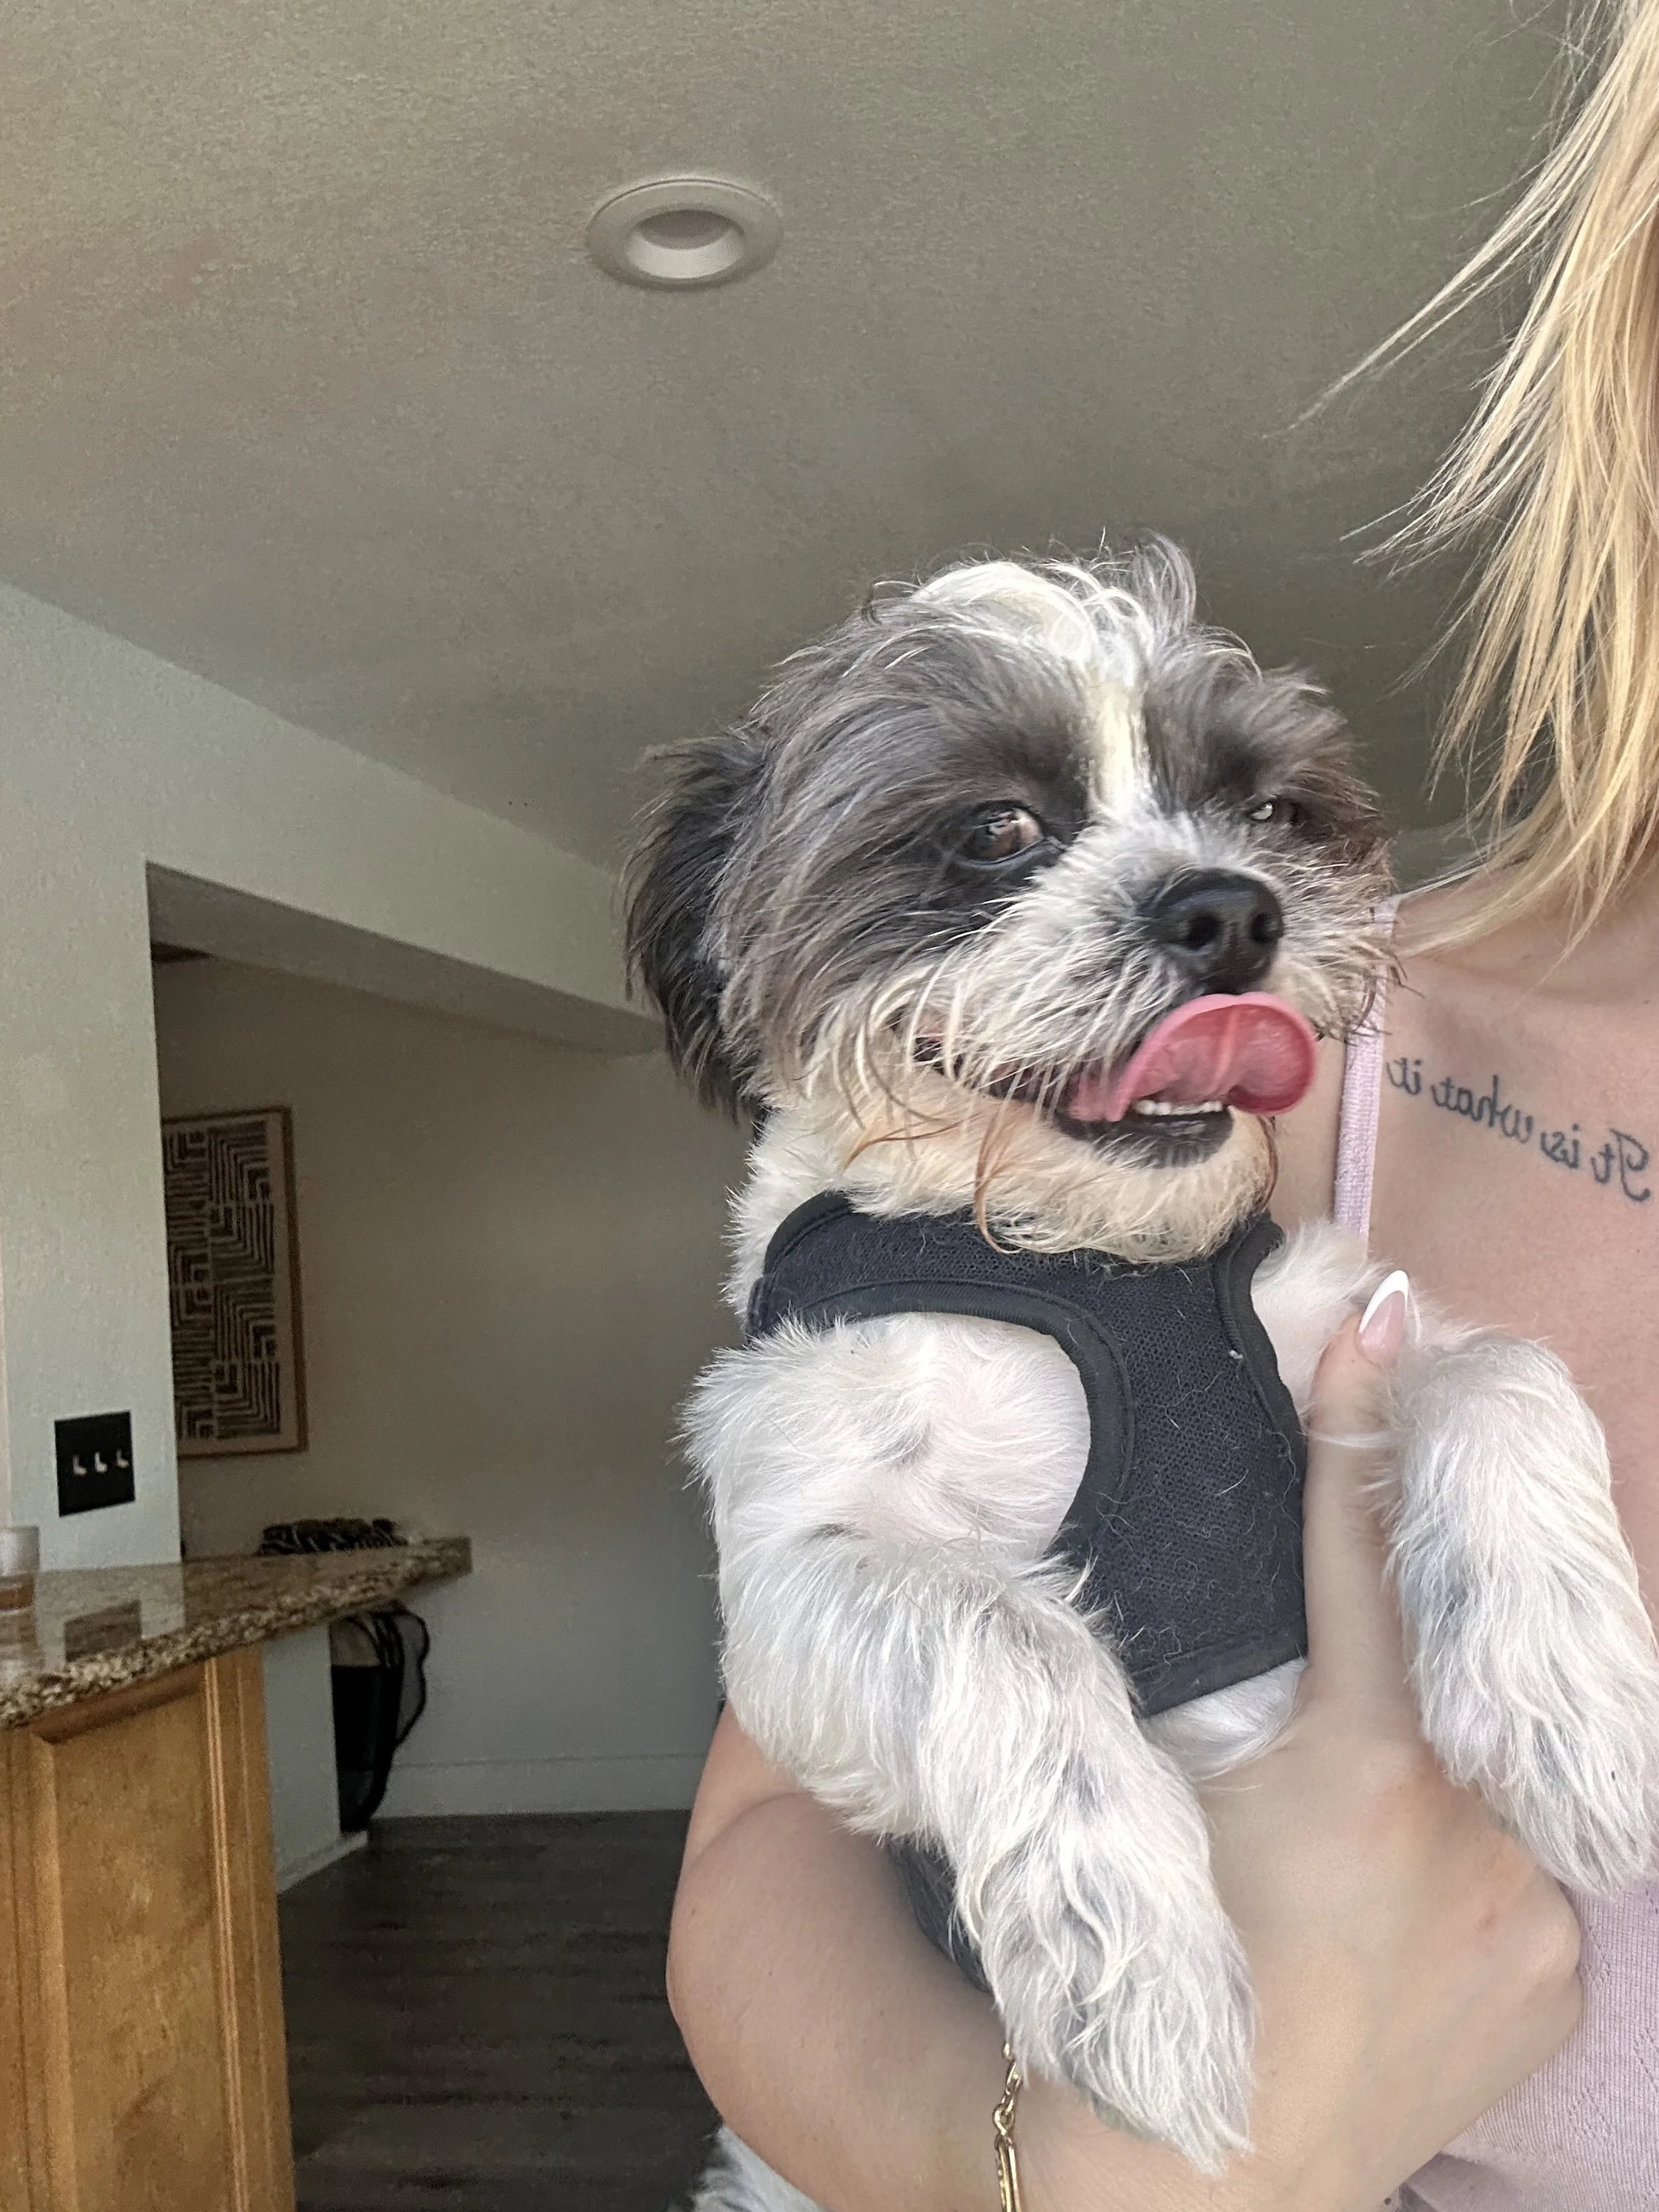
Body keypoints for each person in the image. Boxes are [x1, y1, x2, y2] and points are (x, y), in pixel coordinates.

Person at [665, 4, 1659, 2205]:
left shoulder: (1258, 1187)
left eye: (1247, 815)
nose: (1207, 902)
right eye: (1001, 840)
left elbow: (1403, 1383)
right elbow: (775, 1801)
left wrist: (1501, 1454)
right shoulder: (1329, 1084)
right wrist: (1058, 2170)